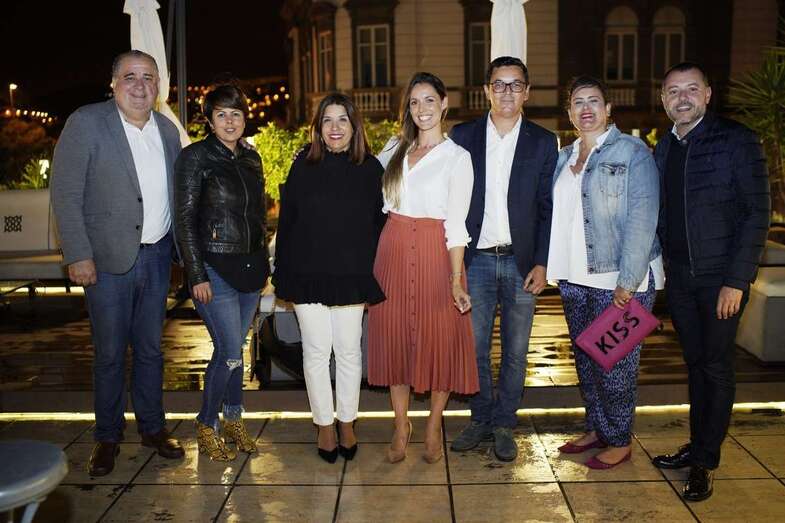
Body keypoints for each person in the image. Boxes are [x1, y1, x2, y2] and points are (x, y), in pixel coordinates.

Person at [51, 50, 185, 476]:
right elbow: (65, 193)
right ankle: (107, 436)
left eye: (149, 77)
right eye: (130, 76)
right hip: (106, 261)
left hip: (158, 257)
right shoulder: (87, 122)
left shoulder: (167, 129)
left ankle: (152, 428)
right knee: (110, 353)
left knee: (151, 350)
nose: (140, 85)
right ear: (113, 83)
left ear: (158, 85)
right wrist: (78, 254)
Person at [651, 62, 770, 501]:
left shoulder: (738, 140)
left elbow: (757, 213)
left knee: (716, 368)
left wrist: (736, 281)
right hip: (681, 279)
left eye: (691, 89)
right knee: (696, 364)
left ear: (707, 94)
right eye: (673, 91)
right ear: (664, 100)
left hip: (721, 280)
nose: (681, 98)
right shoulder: (665, 147)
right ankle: (697, 444)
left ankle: (705, 461)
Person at [546, 75, 663, 469]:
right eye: (578, 102)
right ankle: (598, 427)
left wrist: (628, 281)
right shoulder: (564, 157)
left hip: (618, 280)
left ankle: (619, 439)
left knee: (615, 366)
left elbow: (643, 218)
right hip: (573, 278)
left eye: (594, 100)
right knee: (586, 362)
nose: (586, 108)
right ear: (569, 112)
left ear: (608, 108)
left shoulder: (633, 152)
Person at [449, 56, 558, 462]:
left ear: (527, 92)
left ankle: (505, 423)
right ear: (486, 90)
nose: (507, 92)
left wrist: (542, 262)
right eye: (499, 84)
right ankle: (480, 418)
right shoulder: (462, 136)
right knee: (474, 348)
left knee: (516, 350)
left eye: (515, 84)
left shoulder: (543, 141)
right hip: (475, 261)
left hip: (521, 263)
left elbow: (547, 207)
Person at [368, 72, 478, 465]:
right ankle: (401, 426)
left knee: (439, 339)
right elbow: (360, 180)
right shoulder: (393, 149)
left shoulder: (458, 158)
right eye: (414, 102)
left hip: (436, 251)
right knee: (395, 338)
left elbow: (457, 225)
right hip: (393, 250)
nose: (422, 109)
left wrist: (455, 280)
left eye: (429, 100)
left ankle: (432, 425)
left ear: (444, 104)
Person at [273, 93, 385, 463]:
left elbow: (380, 225)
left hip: (352, 274)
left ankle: (347, 422)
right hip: (306, 274)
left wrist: (376, 272)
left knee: (350, 351)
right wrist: (282, 273)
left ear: (354, 126)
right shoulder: (302, 166)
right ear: (318, 128)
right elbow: (287, 222)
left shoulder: (371, 169)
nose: (335, 128)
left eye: (342, 120)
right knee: (316, 352)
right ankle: (324, 424)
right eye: (327, 120)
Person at [175, 84, 269, 461]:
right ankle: (206, 424)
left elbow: (257, 216)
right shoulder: (195, 157)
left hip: (250, 267)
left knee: (237, 351)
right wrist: (196, 274)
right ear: (210, 121)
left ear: (245, 118)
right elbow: (184, 220)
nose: (230, 122)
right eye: (222, 115)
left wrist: (265, 264)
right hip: (214, 269)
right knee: (229, 351)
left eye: (236, 114)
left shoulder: (252, 158)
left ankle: (233, 419)